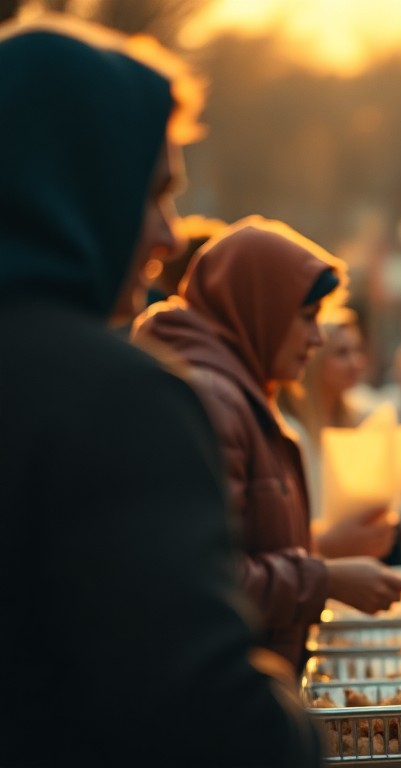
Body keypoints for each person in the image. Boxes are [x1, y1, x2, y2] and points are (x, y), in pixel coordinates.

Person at [0, 16, 317, 765]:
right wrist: (297, 728)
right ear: (68, 190)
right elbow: (211, 722)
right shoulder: (115, 399)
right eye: (153, 195)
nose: (171, 236)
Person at [135, 215, 401, 671]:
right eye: (307, 318)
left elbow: (247, 540)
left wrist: (324, 547)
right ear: (258, 308)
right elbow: (205, 579)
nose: (316, 339)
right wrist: (325, 577)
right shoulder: (215, 400)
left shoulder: (242, 393)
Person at [278, 306, 397, 559]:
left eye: (358, 350)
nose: (356, 362)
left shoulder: (362, 417)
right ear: (314, 359)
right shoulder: (291, 428)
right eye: (341, 353)